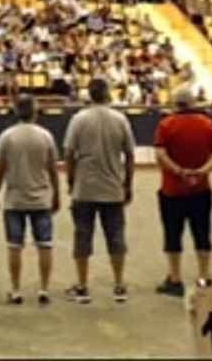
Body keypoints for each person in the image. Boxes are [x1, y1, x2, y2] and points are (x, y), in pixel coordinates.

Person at [63, 78, 135, 304]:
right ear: (107, 94)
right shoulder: (120, 119)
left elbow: (69, 153)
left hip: (85, 187)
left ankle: (83, 286)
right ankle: (119, 284)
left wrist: (71, 180)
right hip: (112, 186)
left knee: (82, 237)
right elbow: (130, 154)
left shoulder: (79, 119)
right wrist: (128, 183)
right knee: (116, 237)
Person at [152, 84, 212, 296]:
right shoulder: (208, 124)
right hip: (201, 188)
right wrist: (202, 171)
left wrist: (179, 171)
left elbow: (160, 154)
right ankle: (204, 275)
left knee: (173, 233)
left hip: (172, 189)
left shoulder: (165, 125)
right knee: (202, 231)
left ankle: (175, 278)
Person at [0, 95, 59, 305]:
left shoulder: (7, 137)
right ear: (35, 112)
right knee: (45, 244)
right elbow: (52, 169)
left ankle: (16, 289)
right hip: (40, 198)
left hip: (15, 198)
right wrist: (56, 193)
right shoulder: (45, 136)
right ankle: (44, 289)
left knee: (14, 245)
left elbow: (1, 170)